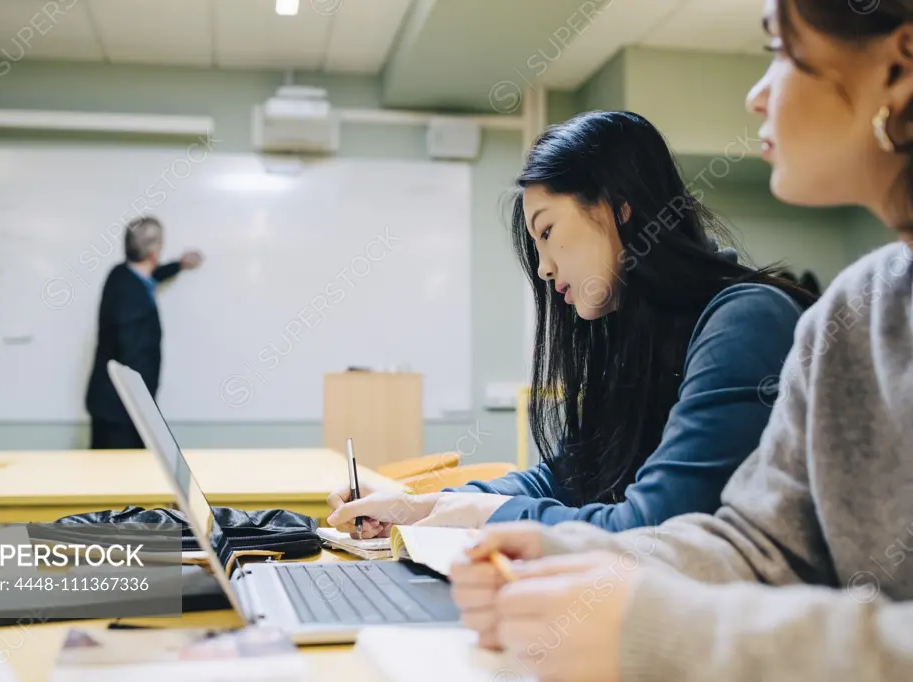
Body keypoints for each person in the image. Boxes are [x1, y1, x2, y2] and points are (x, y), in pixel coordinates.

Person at [450, 2, 913, 680]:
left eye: (780, 52)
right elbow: (760, 546)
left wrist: (661, 630)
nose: (757, 94)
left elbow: (674, 531)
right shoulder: (854, 309)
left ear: (899, 67)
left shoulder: (752, 317)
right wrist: (552, 553)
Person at [327, 111, 816, 538]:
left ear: (620, 207)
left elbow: (650, 530)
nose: (542, 268)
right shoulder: (635, 338)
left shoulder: (746, 321)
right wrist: (417, 506)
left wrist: (489, 514)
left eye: (547, 231)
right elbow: (562, 478)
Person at [85, 216, 203, 449]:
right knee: (122, 481)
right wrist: (148, 414)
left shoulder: (121, 275)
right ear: (153, 252)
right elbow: (133, 359)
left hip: (117, 407)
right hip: (122, 412)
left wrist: (178, 264)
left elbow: (152, 275)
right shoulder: (130, 296)